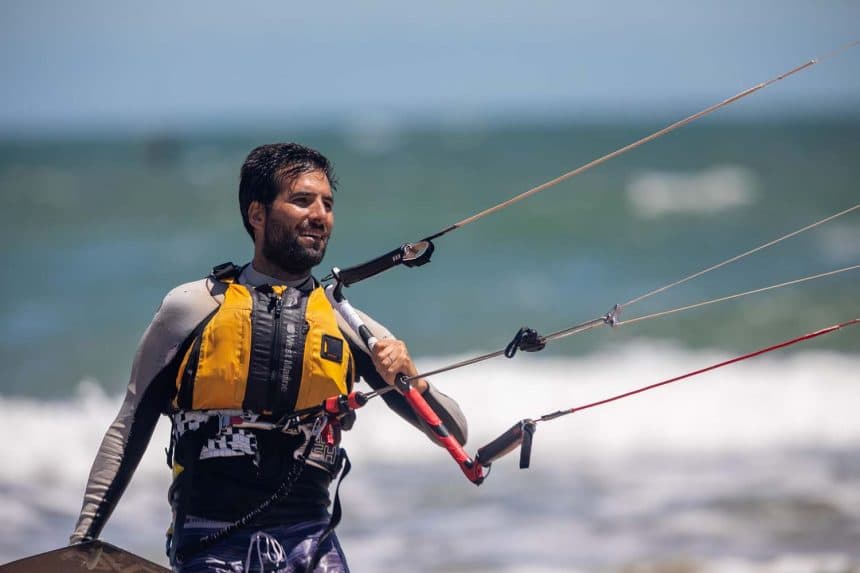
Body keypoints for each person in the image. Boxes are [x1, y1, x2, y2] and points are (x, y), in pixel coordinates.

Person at [70, 143, 469, 572]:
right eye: (302, 200)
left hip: (310, 541)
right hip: (209, 540)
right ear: (257, 214)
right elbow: (130, 426)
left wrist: (413, 379)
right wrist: (82, 543)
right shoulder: (191, 308)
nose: (320, 215)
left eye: (327, 204)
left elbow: (456, 434)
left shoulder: (348, 324)